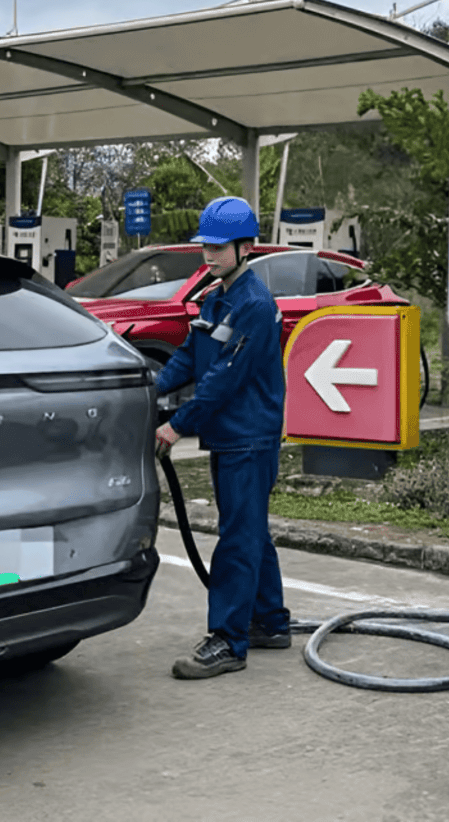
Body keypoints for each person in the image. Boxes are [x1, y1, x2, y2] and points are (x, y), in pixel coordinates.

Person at [154, 196, 291, 679]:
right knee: (250, 529)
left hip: (249, 438)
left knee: (236, 538)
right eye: (204, 247)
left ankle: (229, 641)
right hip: (230, 437)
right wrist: (148, 392)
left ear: (246, 247)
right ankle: (271, 622)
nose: (208, 256)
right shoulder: (216, 298)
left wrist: (176, 425)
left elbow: (224, 381)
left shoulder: (254, 305)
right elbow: (190, 358)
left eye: (217, 247)